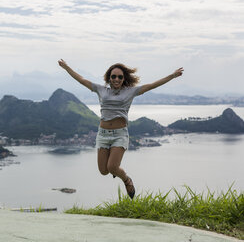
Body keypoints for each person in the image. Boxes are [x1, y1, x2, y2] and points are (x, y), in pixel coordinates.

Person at [58, 59, 183, 199]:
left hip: (119, 134)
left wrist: (172, 76)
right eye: (113, 76)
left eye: (120, 77)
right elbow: (81, 79)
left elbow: (152, 85)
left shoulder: (130, 92)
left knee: (112, 167)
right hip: (103, 134)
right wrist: (67, 67)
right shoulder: (101, 90)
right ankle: (120, 174)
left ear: (124, 79)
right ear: (109, 78)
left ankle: (127, 180)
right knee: (103, 171)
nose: (116, 79)